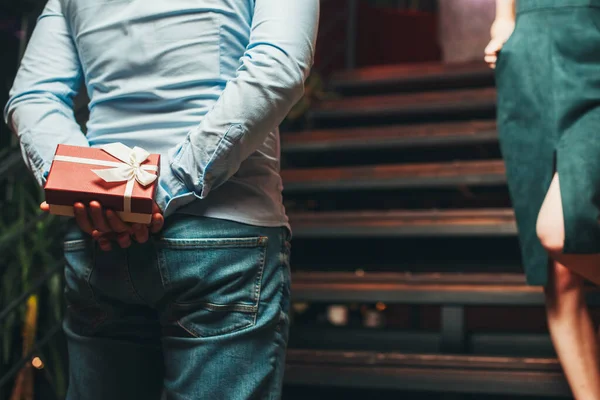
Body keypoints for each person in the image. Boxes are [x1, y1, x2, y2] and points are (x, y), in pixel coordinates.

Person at [4, 0, 319, 398]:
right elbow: (276, 69)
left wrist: (97, 190)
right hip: (223, 234)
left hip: (101, 239)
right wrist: (158, 189)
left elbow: (33, 96)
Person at [485, 0, 600, 398]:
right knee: (558, 275)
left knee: (561, 228)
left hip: (590, 31)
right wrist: (504, 22)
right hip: (528, 52)